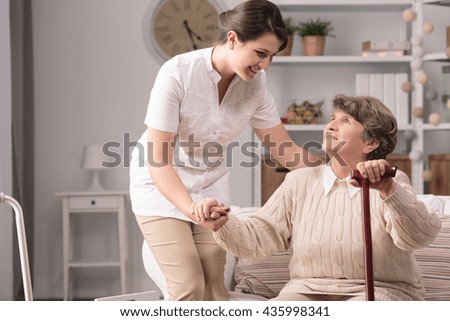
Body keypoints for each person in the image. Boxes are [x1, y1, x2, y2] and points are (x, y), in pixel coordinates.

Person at [129, 0, 320, 301]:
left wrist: (338, 172)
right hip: (161, 185)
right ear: (233, 39)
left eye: (271, 56)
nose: (265, 64)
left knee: (216, 291)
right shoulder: (177, 73)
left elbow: (284, 149)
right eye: (260, 53)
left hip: (210, 186)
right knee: (189, 287)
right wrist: (191, 209)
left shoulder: (256, 85)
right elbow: (159, 161)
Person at [213, 94, 442, 301]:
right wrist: (223, 222)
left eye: (345, 121)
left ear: (370, 142)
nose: (330, 126)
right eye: (333, 118)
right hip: (305, 289)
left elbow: (417, 236)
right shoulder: (299, 181)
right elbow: (261, 236)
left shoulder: (391, 181)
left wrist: (388, 190)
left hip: (379, 290)